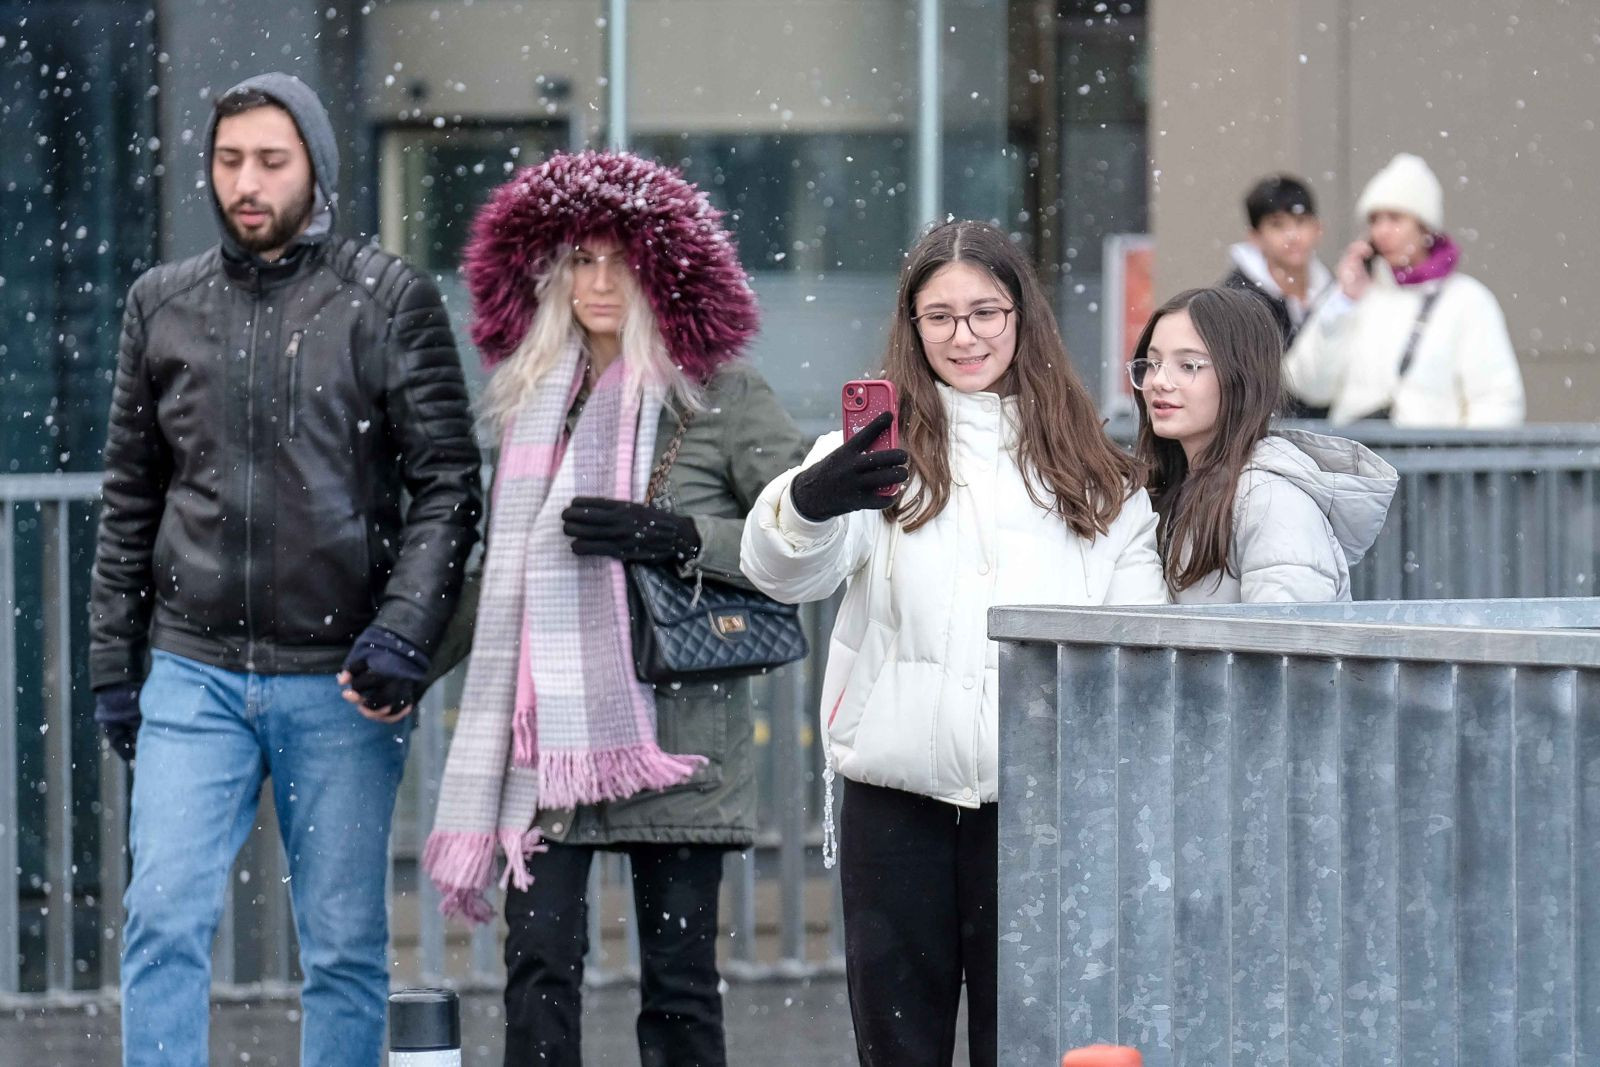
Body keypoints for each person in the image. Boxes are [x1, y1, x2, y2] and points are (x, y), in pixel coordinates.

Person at [87, 73, 482, 1067]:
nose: (246, 183)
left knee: (343, 944)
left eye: (271, 160)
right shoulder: (161, 304)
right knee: (162, 915)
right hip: (193, 669)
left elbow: (447, 483)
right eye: (229, 161)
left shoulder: (388, 297)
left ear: (316, 165)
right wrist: (112, 664)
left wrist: (404, 630)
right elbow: (131, 494)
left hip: (341, 675)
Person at [739, 220, 1167, 1067]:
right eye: (939, 316)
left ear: (1022, 317)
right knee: (900, 1049)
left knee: (1029, 1048)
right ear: (913, 325)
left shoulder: (1099, 473)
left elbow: (1135, 651)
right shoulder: (872, 455)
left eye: (985, 312)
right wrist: (807, 504)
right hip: (896, 807)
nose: (964, 336)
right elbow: (780, 574)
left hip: (1042, 812)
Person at [421, 150, 806, 1067]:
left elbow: (798, 537)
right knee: (537, 969)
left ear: (663, 272)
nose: (600, 282)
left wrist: (678, 536)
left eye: (623, 261)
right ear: (549, 273)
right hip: (546, 749)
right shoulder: (532, 404)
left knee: (679, 986)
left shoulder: (722, 393)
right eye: (581, 260)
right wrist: (407, 662)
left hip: (680, 737)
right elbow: (504, 579)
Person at [1129, 286, 1397, 603]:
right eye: (1153, 363)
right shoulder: (1175, 487)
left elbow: (1288, 632)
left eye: (1188, 365)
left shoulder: (1272, 501)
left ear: (1241, 377)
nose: (1159, 381)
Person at [1282, 152, 1525, 426]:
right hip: (1357, 451)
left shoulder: (1468, 301)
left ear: (1425, 228)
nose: (1382, 231)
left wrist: (1460, 453)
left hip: (1432, 452)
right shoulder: (1354, 295)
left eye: (1395, 218)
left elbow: (1497, 401)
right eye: (1375, 220)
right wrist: (1343, 304)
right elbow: (1308, 386)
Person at [1220, 173, 1334, 348]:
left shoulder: (1336, 292)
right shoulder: (1235, 304)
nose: (1292, 236)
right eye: (1277, 225)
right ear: (1255, 237)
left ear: (1318, 228)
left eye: (1300, 221)